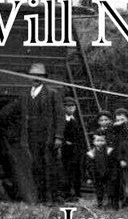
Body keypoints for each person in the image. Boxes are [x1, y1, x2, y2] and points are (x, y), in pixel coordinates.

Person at [21, 62, 64, 204]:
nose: (36, 78)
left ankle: (51, 198)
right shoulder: (26, 94)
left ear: (44, 78)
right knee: (36, 166)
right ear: (29, 77)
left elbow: (60, 116)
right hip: (32, 137)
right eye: (33, 75)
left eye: (39, 75)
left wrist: (58, 136)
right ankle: (39, 198)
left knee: (49, 167)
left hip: (48, 136)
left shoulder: (52, 93)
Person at [60, 96, 86, 201]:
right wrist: (65, 143)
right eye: (68, 106)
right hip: (66, 151)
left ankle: (76, 193)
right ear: (64, 107)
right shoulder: (62, 120)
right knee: (67, 172)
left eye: (73, 106)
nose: (71, 108)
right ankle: (67, 193)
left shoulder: (75, 119)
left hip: (76, 150)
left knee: (76, 171)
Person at [86, 130, 118, 208]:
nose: (100, 142)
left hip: (108, 174)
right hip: (97, 174)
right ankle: (100, 203)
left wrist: (114, 174)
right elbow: (89, 167)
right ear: (94, 142)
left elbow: (114, 164)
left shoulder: (109, 151)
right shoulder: (91, 153)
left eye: (102, 140)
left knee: (110, 190)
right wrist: (89, 177)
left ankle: (112, 204)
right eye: (98, 140)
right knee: (99, 190)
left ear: (105, 141)